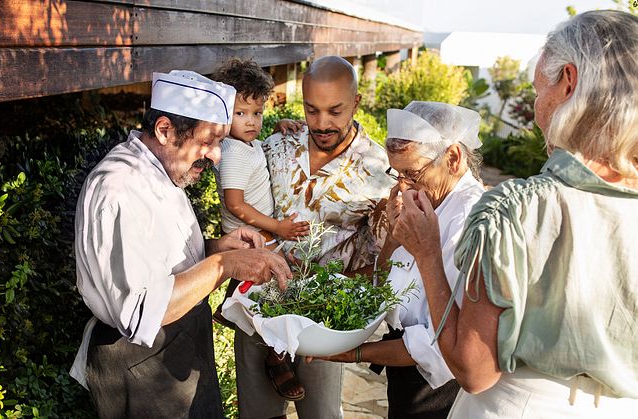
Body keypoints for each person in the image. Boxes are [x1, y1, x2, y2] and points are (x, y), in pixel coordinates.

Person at [391, 10, 638, 418]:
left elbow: (474, 370)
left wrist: (428, 254)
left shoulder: (516, 211)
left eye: (539, 88)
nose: (537, 104)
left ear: (569, 84)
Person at [69, 70, 292, 418]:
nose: (216, 155)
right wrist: (225, 266)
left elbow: (158, 254)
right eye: (209, 141)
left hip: (181, 344)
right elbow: (141, 312)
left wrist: (218, 248)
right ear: (164, 130)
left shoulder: (161, 166)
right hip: (141, 366)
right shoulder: (120, 188)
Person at [232, 55, 392, 419]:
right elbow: (234, 153)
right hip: (262, 307)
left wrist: (338, 296)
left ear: (357, 103)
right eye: (311, 109)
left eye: (335, 111)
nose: (322, 123)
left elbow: (385, 258)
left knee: (321, 415)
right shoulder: (277, 145)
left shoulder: (379, 171)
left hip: (324, 322)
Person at [316, 101, 486, 419]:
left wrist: (352, 352)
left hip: (439, 389)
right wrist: (393, 240)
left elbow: (438, 342)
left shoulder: (469, 218)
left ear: (452, 157)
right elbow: (390, 284)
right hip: (404, 366)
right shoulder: (427, 200)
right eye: (398, 173)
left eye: (413, 173)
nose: (403, 186)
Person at [209, 58, 310, 401]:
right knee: (275, 297)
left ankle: (229, 305)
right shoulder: (233, 153)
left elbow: (254, 152)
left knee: (269, 293)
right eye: (241, 114)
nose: (251, 121)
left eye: (258, 113)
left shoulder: (245, 144)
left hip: (259, 237)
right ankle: (277, 358)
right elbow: (236, 204)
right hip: (251, 240)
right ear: (223, 113)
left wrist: (274, 128)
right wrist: (278, 227)